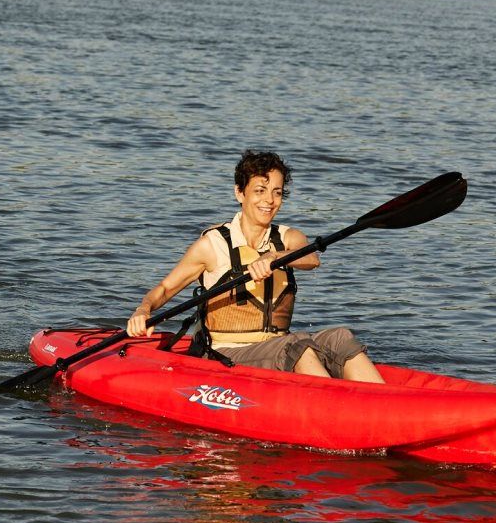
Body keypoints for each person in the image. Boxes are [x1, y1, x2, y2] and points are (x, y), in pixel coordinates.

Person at [125, 149, 386, 383]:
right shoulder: (213, 244)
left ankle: (381, 403)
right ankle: (335, 409)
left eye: (277, 192)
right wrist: (143, 309)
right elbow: (165, 288)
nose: (269, 201)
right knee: (297, 346)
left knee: (339, 336)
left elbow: (311, 259)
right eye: (260, 191)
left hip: (277, 345)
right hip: (227, 353)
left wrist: (274, 257)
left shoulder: (288, 238)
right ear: (240, 192)